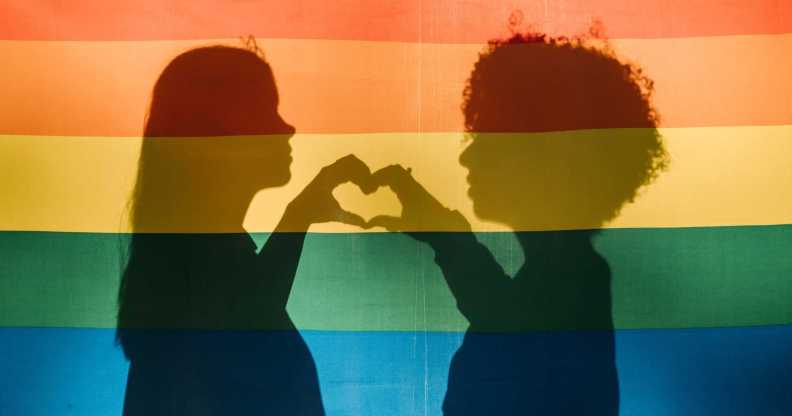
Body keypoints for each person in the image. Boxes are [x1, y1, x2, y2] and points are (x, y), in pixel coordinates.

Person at [369, 32, 668, 415]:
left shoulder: (574, 279)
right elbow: (506, 316)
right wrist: (447, 236)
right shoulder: (569, 275)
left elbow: (509, 326)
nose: (467, 158)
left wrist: (449, 236)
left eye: (485, 136)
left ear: (537, 153)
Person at [116, 45, 373, 415]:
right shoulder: (213, 294)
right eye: (266, 111)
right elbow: (247, 319)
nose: (288, 127)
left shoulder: (195, 284)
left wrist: (298, 215)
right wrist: (298, 215)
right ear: (217, 132)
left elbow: (249, 309)